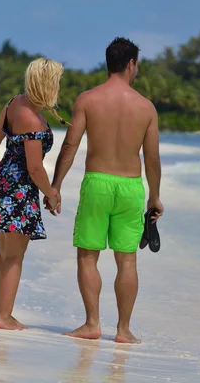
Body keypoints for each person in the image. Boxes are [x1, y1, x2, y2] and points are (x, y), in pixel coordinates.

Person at [46, 37, 164, 344]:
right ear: (130, 64)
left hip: (97, 182)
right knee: (127, 261)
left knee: (88, 256)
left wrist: (55, 186)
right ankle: (123, 330)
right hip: (130, 187)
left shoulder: (88, 99)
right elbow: (151, 159)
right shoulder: (146, 108)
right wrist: (154, 196)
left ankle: (92, 324)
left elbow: (70, 145)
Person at [0, 57, 67, 330]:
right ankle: (4, 316)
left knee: (4, 254)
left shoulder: (15, 103)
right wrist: (51, 193)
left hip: (3, 180)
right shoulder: (32, 119)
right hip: (19, 189)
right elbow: (35, 168)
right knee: (14, 256)